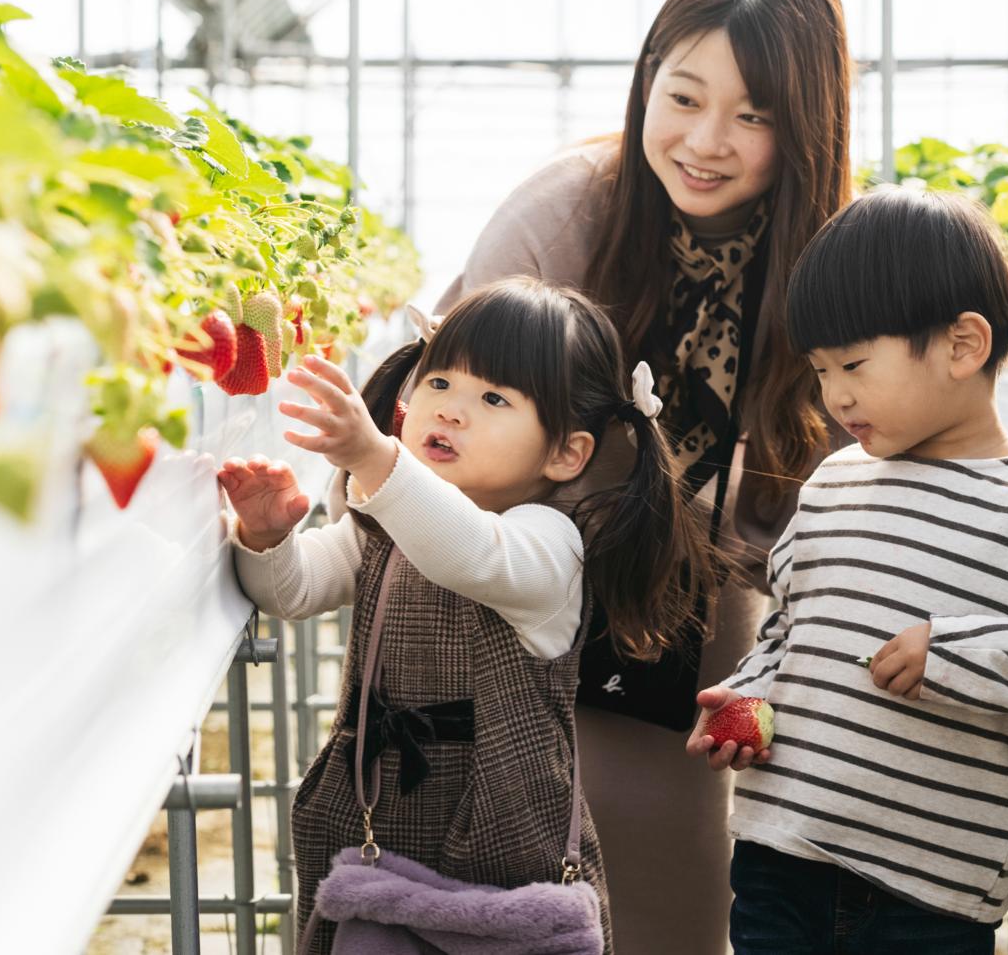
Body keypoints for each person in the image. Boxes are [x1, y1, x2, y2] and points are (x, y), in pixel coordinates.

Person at [437, 0, 854, 949]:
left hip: (688, 613)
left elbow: (850, 471)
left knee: (668, 901)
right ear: (644, 81)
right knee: (494, 886)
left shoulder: (826, 260)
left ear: (804, 128)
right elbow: (435, 424)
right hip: (508, 584)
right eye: (682, 96)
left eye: (753, 116)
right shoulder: (565, 214)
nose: (705, 141)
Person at [687, 187, 1008, 953]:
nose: (835, 393)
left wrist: (957, 656)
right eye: (819, 370)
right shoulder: (834, 484)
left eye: (853, 363)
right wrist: (749, 693)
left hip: (927, 894)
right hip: (779, 854)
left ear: (962, 345)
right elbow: (791, 628)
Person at [219, 278, 720, 955]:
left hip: (499, 855)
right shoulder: (380, 524)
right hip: (374, 829)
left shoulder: (549, 545)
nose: (451, 411)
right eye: (440, 382)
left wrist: (374, 457)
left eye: (492, 398)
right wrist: (266, 538)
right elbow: (295, 590)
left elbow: (471, 555)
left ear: (566, 452)